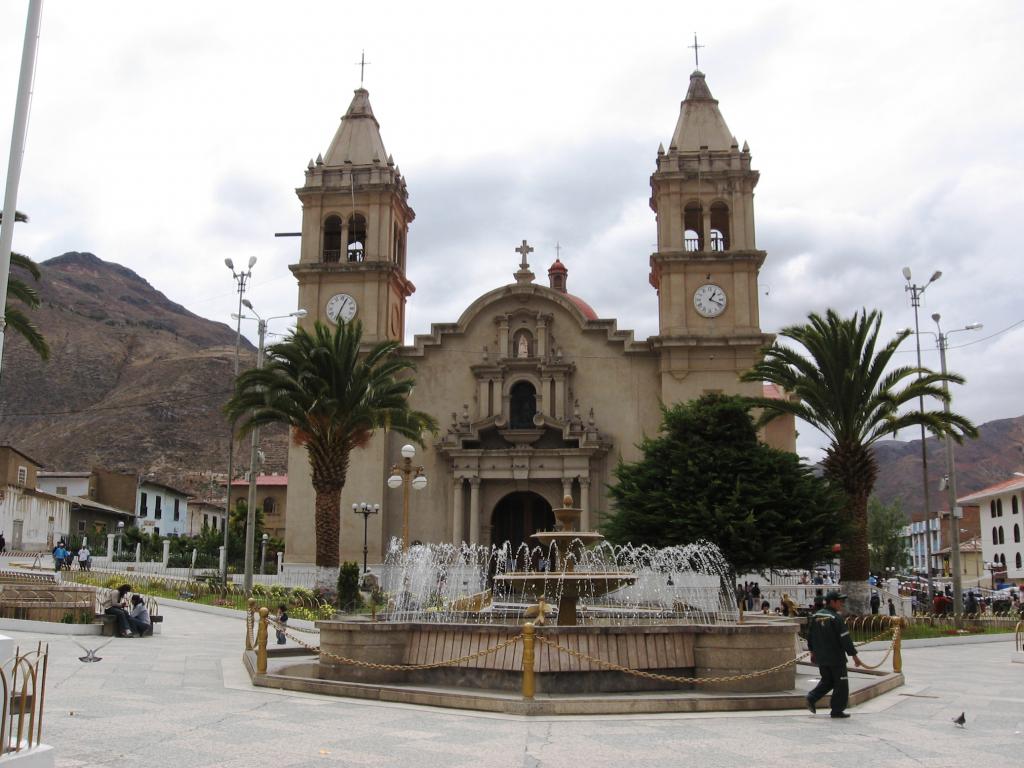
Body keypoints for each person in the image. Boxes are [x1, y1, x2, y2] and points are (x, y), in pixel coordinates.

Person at [805, 590, 865, 719]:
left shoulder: (815, 616)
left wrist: (812, 652)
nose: (842, 604)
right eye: (840, 601)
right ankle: (837, 710)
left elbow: (810, 636)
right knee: (841, 684)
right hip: (836, 658)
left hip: (822, 657)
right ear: (832, 602)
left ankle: (812, 697)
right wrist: (854, 656)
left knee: (828, 680)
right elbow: (845, 639)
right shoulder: (835, 618)